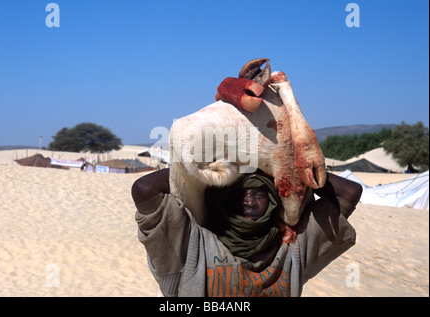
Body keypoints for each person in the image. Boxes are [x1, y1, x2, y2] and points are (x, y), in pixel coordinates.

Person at [132, 77, 363, 297]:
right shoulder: (195, 244)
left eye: (259, 194)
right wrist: (205, 161)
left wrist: (289, 162)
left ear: (274, 201)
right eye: (238, 196)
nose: (249, 201)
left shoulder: (293, 248)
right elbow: (144, 189)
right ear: (223, 202)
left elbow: (350, 192)